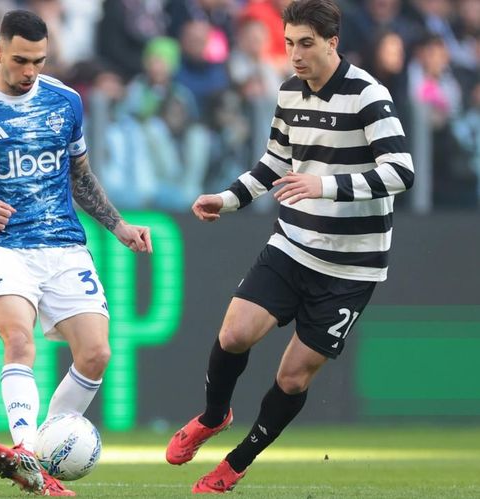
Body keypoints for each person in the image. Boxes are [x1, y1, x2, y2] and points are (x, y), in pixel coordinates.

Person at [165, 0, 414, 493]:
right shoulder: (288, 92)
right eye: (288, 44)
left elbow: (401, 171)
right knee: (234, 334)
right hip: (294, 244)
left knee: (294, 378)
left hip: (352, 267)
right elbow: (274, 163)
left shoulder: (367, 94)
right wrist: (227, 199)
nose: (295, 55)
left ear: (332, 43)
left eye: (305, 44)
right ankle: (214, 416)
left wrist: (324, 185)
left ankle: (237, 462)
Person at [0, 10, 152, 497]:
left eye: (39, 61)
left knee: (97, 353)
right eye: (21, 60)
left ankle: (42, 456)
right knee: (19, 341)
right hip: (7, 248)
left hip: (65, 246)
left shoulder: (65, 101)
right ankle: (25, 451)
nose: (30, 72)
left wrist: (119, 226)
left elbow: (80, 176)